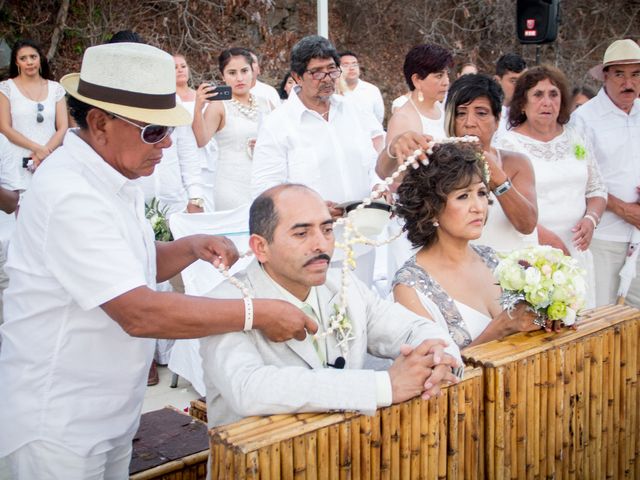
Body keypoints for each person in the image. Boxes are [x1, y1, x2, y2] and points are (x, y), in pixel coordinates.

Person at [0, 42, 316, 479]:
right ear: (100, 123)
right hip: (58, 421)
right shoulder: (70, 194)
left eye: (168, 131)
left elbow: (129, 264)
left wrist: (187, 248)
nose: (167, 144)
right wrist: (256, 313)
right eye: (154, 131)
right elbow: (137, 311)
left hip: (105, 409)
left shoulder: (114, 174)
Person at [200, 184, 463, 427]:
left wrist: (439, 361)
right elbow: (249, 388)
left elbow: (413, 329)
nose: (321, 244)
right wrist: (383, 386)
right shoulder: (225, 304)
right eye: (302, 233)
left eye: (327, 230)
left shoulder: (344, 286)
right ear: (261, 247)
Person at [392, 142, 543, 348]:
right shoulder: (410, 286)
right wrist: (498, 330)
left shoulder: (492, 259)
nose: (478, 207)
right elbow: (433, 374)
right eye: (463, 196)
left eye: (481, 193)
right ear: (432, 207)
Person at [495, 65, 607, 308]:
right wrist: (548, 240)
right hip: (534, 256)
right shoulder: (507, 145)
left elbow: (597, 189)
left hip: (578, 249)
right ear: (522, 103)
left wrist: (591, 219)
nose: (547, 102)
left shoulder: (577, 137)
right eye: (538, 94)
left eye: (553, 94)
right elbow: (503, 206)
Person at [252, 36, 380, 215]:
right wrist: (311, 209)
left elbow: (371, 163)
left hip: (364, 229)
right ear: (297, 77)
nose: (327, 79)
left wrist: (378, 186)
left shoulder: (353, 111)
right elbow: (266, 190)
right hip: (312, 234)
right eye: (317, 72)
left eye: (332, 70)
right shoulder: (278, 124)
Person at [571, 38, 640, 307]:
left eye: (635, 74)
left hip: (638, 238)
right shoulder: (584, 119)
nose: (628, 83)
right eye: (620, 74)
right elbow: (580, 178)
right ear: (606, 76)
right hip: (602, 237)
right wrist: (624, 209)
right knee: (600, 317)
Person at [444, 73, 538, 251]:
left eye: (481, 113)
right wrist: (394, 147)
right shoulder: (438, 163)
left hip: (506, 272)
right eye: (461, 113)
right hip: (455, 270)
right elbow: (385, 171)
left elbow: (527, 225)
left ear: (497, 119)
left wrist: (500, 181)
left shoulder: (516, 163)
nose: (469, 122)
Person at [193, 48, 273, 211]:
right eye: (232, 73)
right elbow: (201, 140)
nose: (240, 78)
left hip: (264, 181)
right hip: (230, 185)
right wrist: (198, 107)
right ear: (223, 76)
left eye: (244, 71)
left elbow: (280, 141)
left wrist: (265, 144)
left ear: (253, 71)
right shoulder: (219, 106)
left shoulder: (267, 104)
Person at [376, 43, 453, 179]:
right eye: (439, 76)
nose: (446, 82)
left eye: (447, 74)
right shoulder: (403, 118)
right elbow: (393, 175)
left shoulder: (444, 109)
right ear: (417, 80)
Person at [0, 39, 68, 189]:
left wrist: (45, 151)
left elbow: (63, 126)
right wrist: (37, 149)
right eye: (23, 58)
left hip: (49, 158)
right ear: (16, 62)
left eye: (33, 57)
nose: (29, 62)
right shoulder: (6, 88)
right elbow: (4, 127)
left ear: (40, 58)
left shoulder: (55, 88)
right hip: (17, 159)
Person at [338, 50, 385, 124]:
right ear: (337, 68)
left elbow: (378, 118)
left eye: (354, 64)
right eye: (346, 65)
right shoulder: (334, 91)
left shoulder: (372, 90)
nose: (351, 68)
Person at [493, 53, 527, 142]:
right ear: (498, 80)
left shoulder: (531, 113)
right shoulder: (488, 113)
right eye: (514, 81)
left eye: (523, 81)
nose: (520, 86)